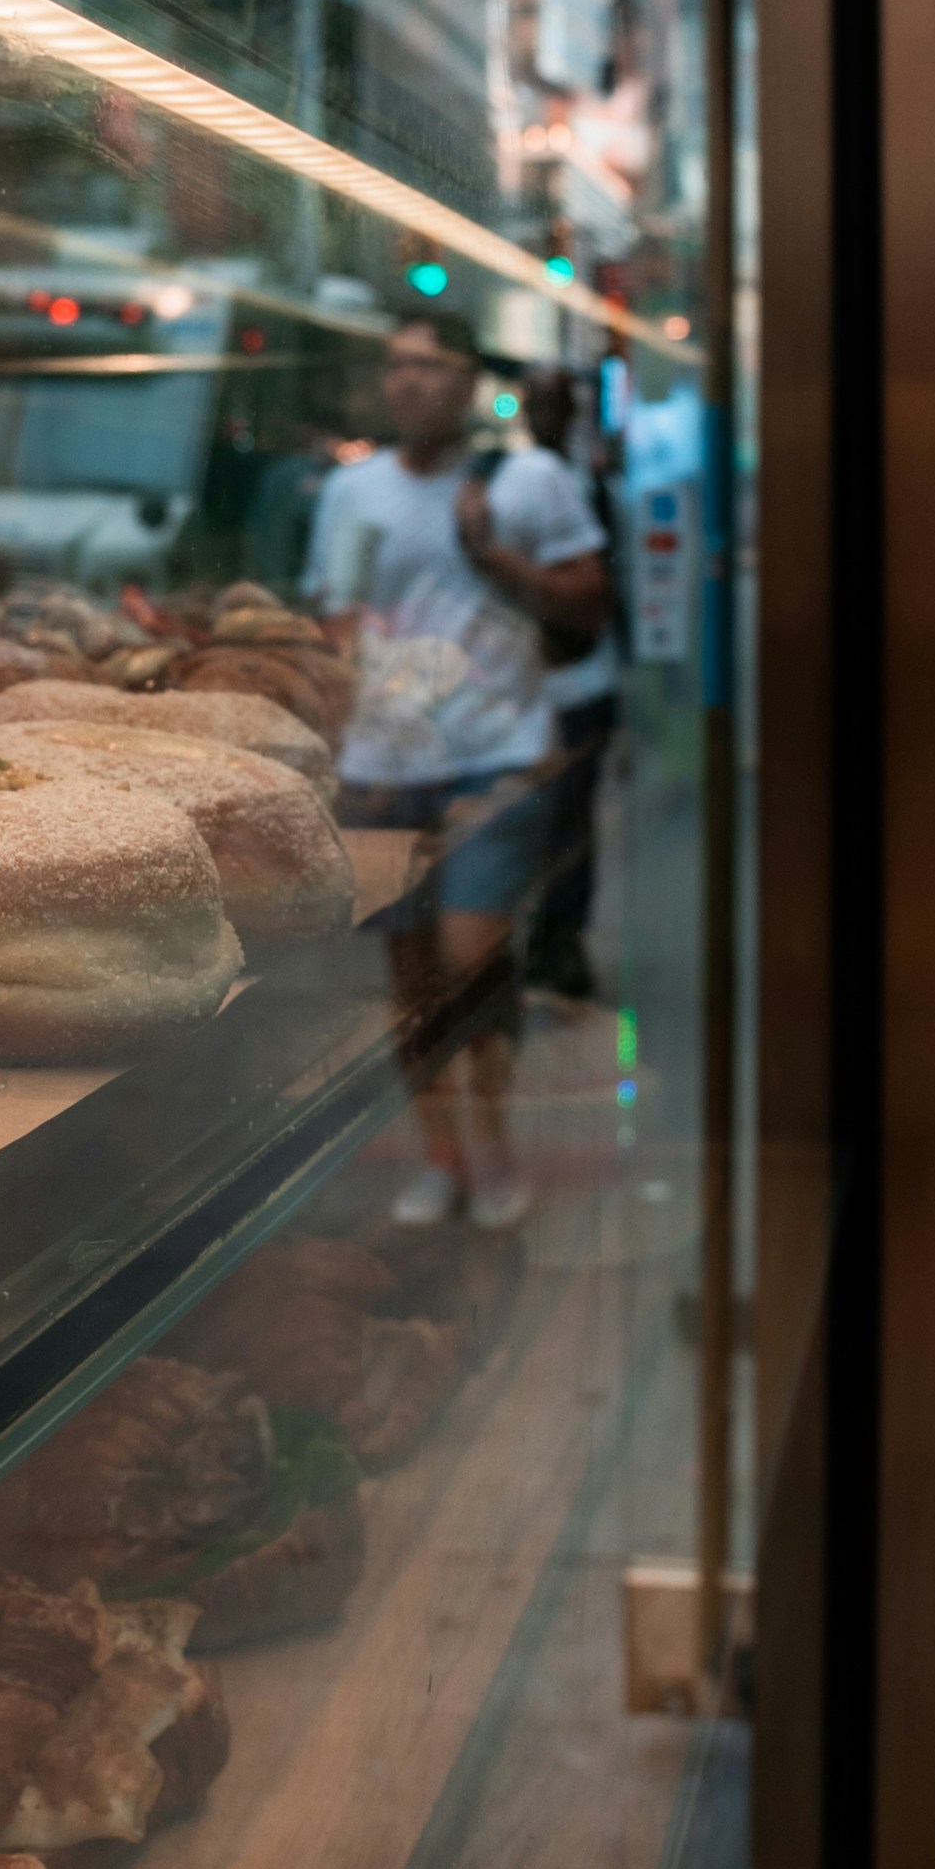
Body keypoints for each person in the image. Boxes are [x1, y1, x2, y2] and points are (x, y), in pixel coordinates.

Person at [308, 312, 610, 1231]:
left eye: (429, 366)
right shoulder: (352, 491)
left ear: (472, 380)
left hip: (498, 757)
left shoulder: (531, 480)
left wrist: (492, 555)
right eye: (396, 365)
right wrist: (356, 661)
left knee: (470, 957)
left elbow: (592, 605)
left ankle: (497, 1144)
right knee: (412, 980)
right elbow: (338, 613)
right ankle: (443, 1157)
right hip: (386, 767)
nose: (408, 383)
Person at [517, 361, 620, 1003]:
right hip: (529, 687)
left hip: (582, 681)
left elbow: (604, 594)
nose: (544, 415)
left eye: (556, 403)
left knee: (571, 822)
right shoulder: (515, 480)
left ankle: (560, 939)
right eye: (536, 402)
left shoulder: (592, 486)